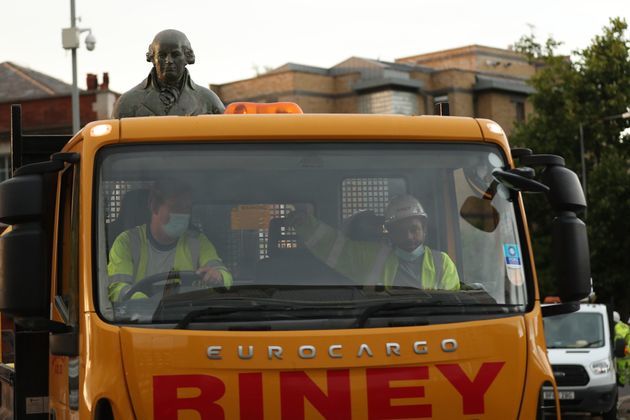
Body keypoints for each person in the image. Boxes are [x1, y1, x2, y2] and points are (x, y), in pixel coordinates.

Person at [286, 195, 460, 289]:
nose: (408, 237)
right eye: (400, 231)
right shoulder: (371, 257)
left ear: (424, 228)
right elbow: (334, 246)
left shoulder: (442, 263)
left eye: (414, 229)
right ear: (389, 233)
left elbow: (452, 309)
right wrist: (305, 224)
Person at [107, 179, 231, 301]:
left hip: (188, 315)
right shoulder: (126, 243)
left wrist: (218, 276)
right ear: (154, 206)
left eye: (186, 208)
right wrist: (146, 303)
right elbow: (117, 289)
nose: (182, 214)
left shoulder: (198, 242)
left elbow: (223, 275)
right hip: (138, 319)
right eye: (175, 207)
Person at [111, 29, 225, 118]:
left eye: (175, 55)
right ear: (152, 58)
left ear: (187, 57)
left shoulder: (209, 101)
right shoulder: (127, 103)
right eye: (162, 55)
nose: (169, 61)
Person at [614, 311, 630, 386]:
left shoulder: (619, 327)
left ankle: (621, 381)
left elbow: (619, 339)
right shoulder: (622, 326)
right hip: (623, 352)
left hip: (624, 354)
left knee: (624, 371)